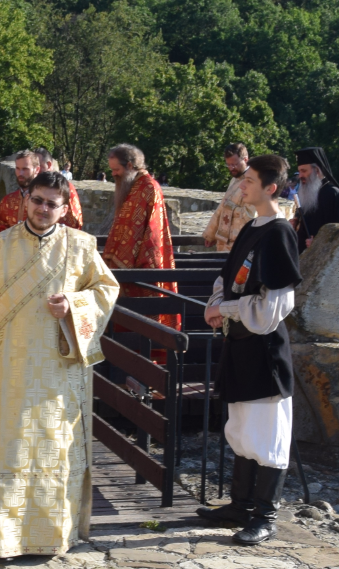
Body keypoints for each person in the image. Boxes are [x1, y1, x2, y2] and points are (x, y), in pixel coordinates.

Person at [0, 170, 119, 557]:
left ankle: (53, 534)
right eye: (37, 200)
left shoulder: (83, 247)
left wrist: (74, 305)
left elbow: (106, 291)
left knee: (57, 449)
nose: (43, 209)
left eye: (52, 203)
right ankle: (5, 535)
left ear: (65, 208)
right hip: (10, 369)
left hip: (61, 370)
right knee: (12, 449)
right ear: (25, 200)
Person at [195, 154, 303, 545]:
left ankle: (265, 515)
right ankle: (240, 505)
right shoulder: (250, 227)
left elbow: (273, 308)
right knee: (240, 426)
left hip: (263, 350)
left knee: (267, 432)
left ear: (270, 187)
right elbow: (229, 278)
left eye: (251, 180)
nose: (243, 185)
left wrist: (223, 309)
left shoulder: (279, 233)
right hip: (239, 344)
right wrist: (218, 304)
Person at [102, 143, 179, 359]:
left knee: (142, 329)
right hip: (126, 269)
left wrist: (127, 263)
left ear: (130, 165)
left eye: (116, 170)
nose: (114, 175)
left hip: (141, 270)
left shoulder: (148, 188)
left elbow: (150, 234)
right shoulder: (134, 186)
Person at [0, 148, 85, 232]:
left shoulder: (64, 189)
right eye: (18, 168)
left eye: (25, 169)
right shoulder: (8, 200)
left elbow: (74, 223)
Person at [293, 147, 339, 250]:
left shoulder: (333, 194)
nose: (300, 176)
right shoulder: (306, 194)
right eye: (299, 172)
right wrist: (295, 226)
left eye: (304, 171)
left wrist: (319, 244)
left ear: (316, 170)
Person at [203, 142, 253, 255]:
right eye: (228, 165)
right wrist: (211, 234)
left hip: (239, 244)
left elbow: (251, 215)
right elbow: (221, 208)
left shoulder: (254, 182)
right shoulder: (234, 179)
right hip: (224, 242)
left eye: (234, 164)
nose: (231, 168)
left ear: (245, 159)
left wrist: (231, 207)